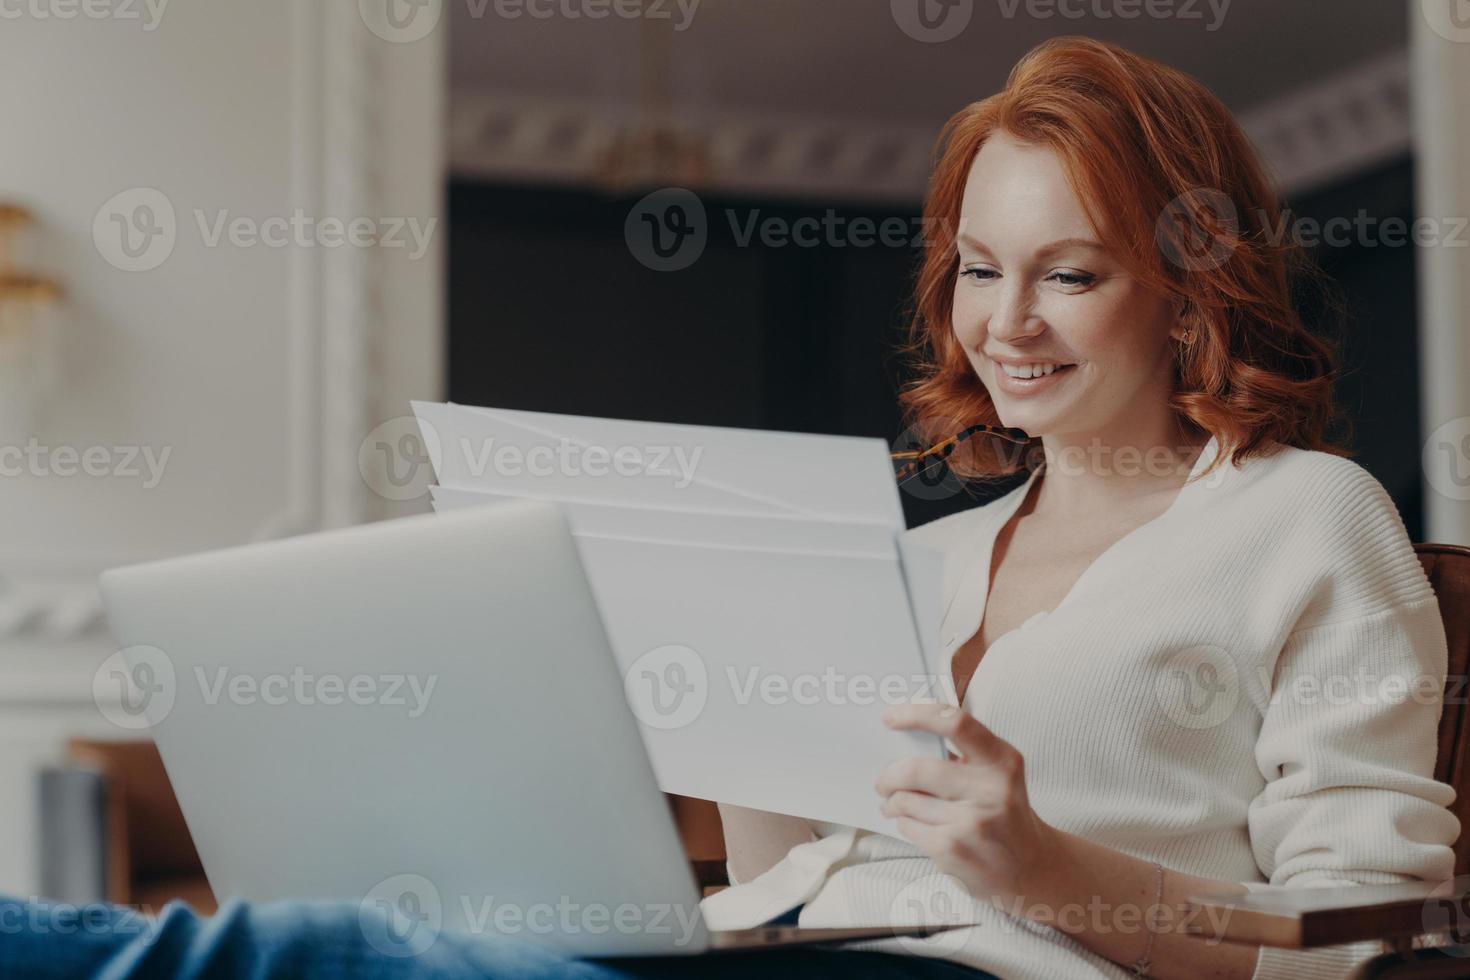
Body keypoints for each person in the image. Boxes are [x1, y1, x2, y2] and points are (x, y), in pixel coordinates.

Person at [2, 34, 1457, 980]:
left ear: (1190, 287)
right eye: (977, 267)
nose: (1005, 321)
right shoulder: (930, 556)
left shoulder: (1301, 520)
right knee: (345, 938)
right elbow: (798, 877)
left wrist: (1037, 862)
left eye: (1070, 273)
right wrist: (718, 701)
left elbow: (1357, 945)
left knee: (291, 961)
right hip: (776, 950)